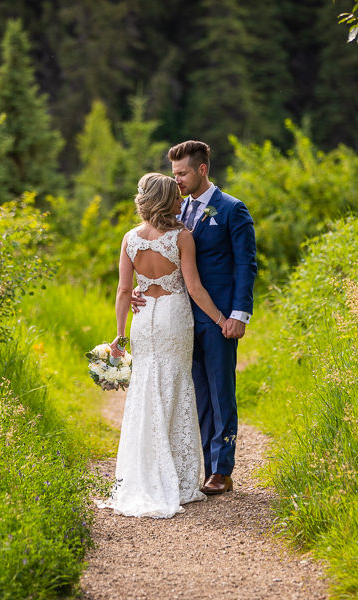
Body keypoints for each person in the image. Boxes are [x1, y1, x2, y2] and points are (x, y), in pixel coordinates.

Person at [101, 172, 229, 518]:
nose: (179, 201)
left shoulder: (130, 239)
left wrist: (119, 332)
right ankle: (178, 477)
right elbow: (195, 288)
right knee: (175, 385)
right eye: (174, 197)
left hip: (143, 320)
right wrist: (220, 320)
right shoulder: (181, 237)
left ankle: (143, 472)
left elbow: (124, 291)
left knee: (146, 388)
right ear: (164, 201)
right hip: (173, 315)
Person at [133, 140, 257, 495]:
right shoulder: (176, 210)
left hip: (219, 318)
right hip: (180, 320)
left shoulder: (232, 210)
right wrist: (145, 291)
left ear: (202, 169)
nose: (178, 181)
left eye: (183, 173)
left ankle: (221, 469)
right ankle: (200, 467)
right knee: (195, 392)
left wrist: (238, 314)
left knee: (221, 391)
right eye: (174, 174)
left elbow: (246, 265)